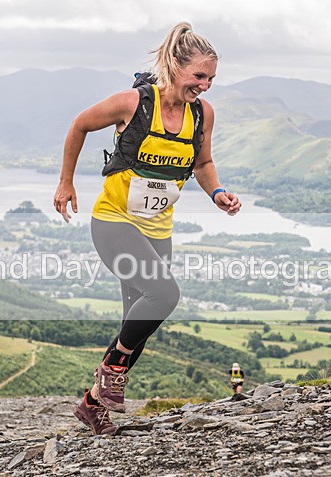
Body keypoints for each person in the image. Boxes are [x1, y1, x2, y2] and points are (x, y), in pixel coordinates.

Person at [53, 22, 241, 435]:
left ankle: (91, 404)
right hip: (114, 222)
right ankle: (112, 369)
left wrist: (218, 193)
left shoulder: (201, 113)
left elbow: (203, 164)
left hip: (158, 228)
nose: (206, 86)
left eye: (211, 78)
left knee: (137, 324)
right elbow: (80, 125)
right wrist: (66, 182)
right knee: (165, 293)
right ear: (175, 65)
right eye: (199, 76)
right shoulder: (133, 103)